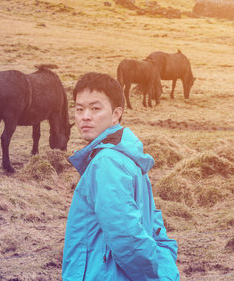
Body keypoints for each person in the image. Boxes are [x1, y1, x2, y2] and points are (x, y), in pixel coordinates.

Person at [62, 72, 180, 281]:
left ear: (116, 114)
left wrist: (153, 277)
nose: (85, 116)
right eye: (79, 109)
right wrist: (164, 264)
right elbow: (153, 223)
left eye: (95, 108)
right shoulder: (126, 155)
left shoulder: (107, 162)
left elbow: (127, 237)